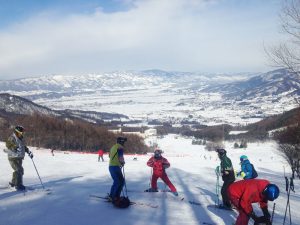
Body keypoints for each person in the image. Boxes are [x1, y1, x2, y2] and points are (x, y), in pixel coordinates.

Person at [3, 125, 33, 191]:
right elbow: (8, 144)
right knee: (18, 170)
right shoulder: (12, 137)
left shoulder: (21, 138)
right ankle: (18, 185)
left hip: (19, 157)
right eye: (21, 132)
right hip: (12, 157)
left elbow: (23, 147)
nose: (22, 134)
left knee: (20, 170)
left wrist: (28, 151)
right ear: (17, 132)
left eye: (23, 132)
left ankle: (13, 183)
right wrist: (14, 147)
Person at [108, 136, 127, 205]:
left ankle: (113, 195)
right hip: (115, 167)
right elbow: (120, 157)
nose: (124, 143)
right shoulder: (120, 147)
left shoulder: (113, 147)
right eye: (124, 142)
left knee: (117, 181)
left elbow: (109, 156)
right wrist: (122, 162)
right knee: (120, 181)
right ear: (121, 142)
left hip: (111, 167)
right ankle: (114, 196)